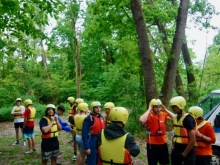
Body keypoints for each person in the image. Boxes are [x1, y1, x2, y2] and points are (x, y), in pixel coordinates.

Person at [139, 99, 175, 165]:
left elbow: (175, 117)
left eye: (159, 107)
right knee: (152, 162)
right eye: (156, 107)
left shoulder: (163, 114)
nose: (158, 109)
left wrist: (165, 109)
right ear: (152, 107)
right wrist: (149, 109)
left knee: (164, 162)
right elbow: (142, 120)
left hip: (162, 142)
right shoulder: (148, 114)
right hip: (152, 143)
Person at [170, 96, 196, 165]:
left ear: (180, 106)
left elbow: (192, 140)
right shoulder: (175, 118)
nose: (173, 108)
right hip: (177, 150)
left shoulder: (188, 119)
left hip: (187, 152)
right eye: (172, 106)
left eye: (175, 106)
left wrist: (184, 154)